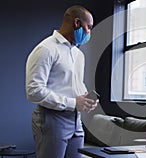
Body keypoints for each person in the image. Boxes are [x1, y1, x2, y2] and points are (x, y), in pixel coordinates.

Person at [25, 5, 98, 158]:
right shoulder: (46, 49)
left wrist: (84, 100)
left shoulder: (78, 54)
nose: (89, 33)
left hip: (76, 120)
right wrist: (73, 103)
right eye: (89, 27)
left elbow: (72, 83)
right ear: (77, 23)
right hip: (51, 119)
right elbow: (34, 91)